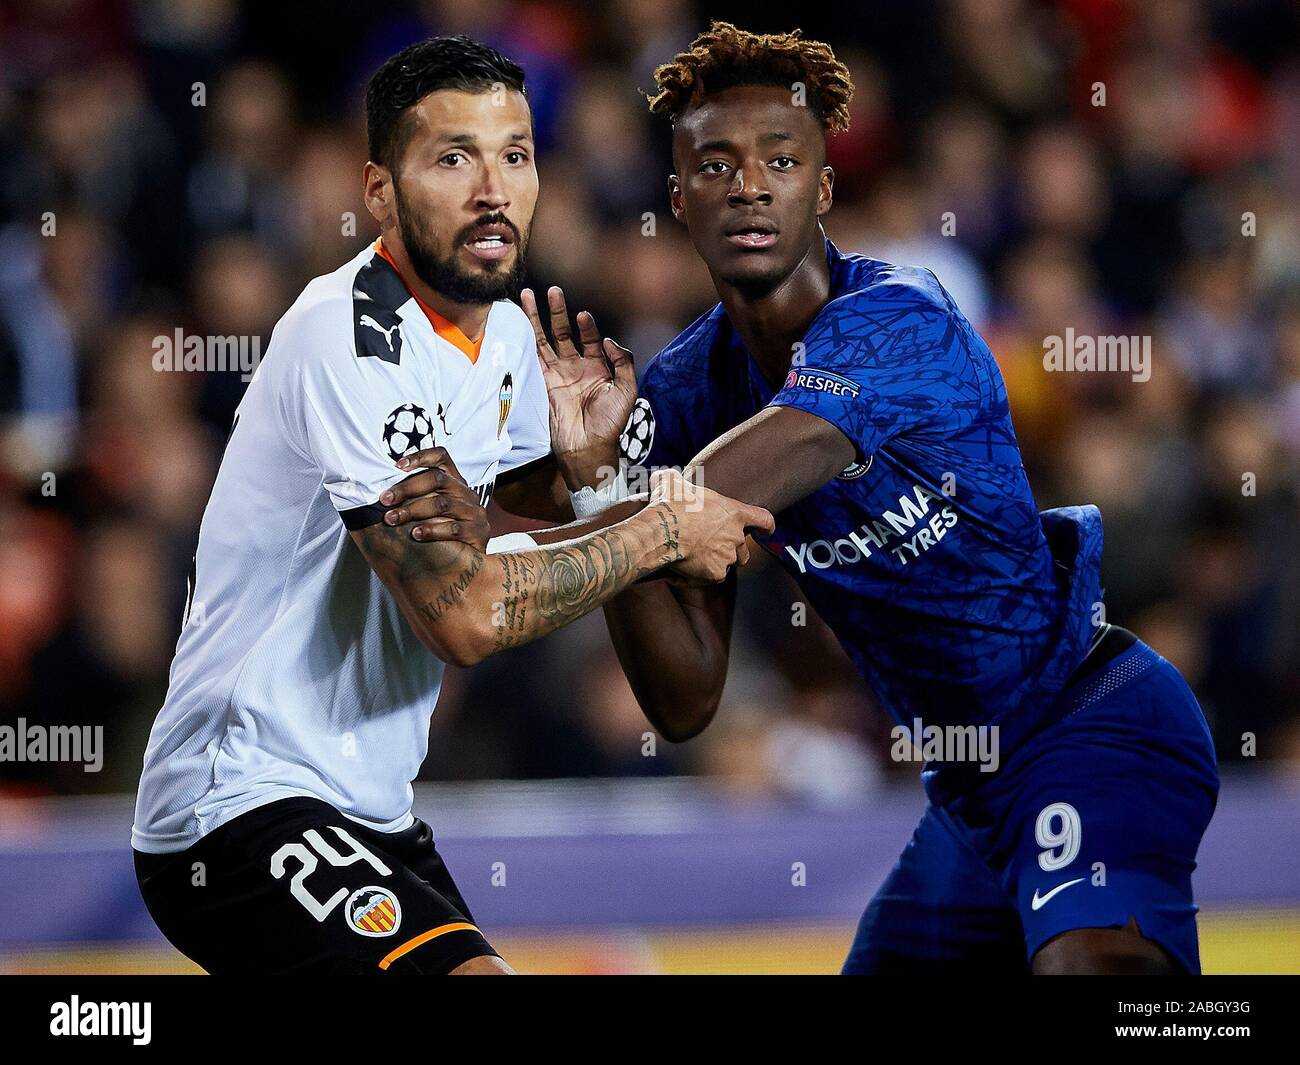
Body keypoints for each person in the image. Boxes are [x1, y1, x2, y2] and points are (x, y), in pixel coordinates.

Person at [390, 23, 1219, 974]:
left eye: (781, 160)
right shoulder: (690, 385)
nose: (750, 184)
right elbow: (688, 695)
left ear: (822, 189)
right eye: (716, 164)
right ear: (678, 199)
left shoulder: (898, 320)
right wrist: (589, 479)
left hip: (1090, 720)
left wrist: (564, 516)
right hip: (970, 794)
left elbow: (709, 492)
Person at [130, 34, 771, 976]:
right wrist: (661, 526)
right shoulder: (349, 341)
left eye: (515, 154)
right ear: (379, 191)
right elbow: (464, 615)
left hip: (371, 810)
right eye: (452, 157)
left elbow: (521, 507)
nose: (493, 189)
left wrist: (593, 470)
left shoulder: (508, 338)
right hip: (233, 807)